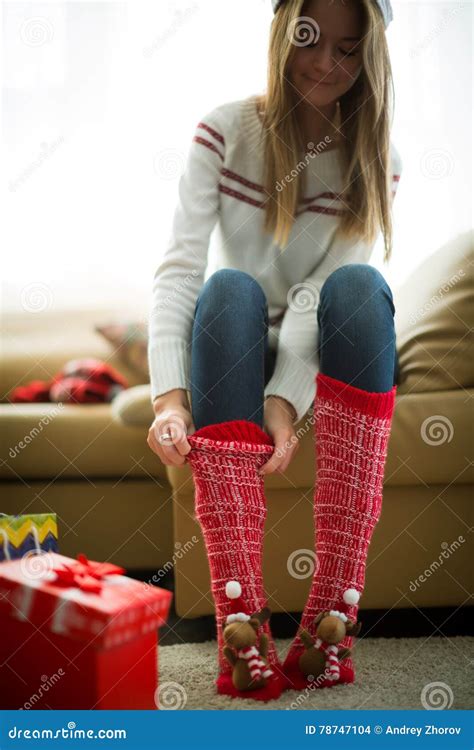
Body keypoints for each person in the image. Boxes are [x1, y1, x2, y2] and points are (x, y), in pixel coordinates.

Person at [147, 0, 402, 701]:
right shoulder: (224, 130)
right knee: (228, 287)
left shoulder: (377, 159)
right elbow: (180, 269)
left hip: (330, 341)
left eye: (349, 50)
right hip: (238, 334)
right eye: (311, 40)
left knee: (360, 284)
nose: (327, 64)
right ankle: (242, 626)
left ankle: (332, 617)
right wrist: (169, 399)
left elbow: (322, 298)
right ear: (283, 32)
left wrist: (285, 400)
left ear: (370, 56)